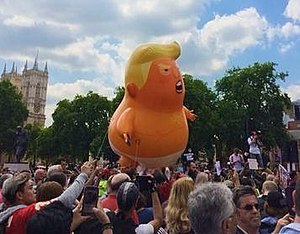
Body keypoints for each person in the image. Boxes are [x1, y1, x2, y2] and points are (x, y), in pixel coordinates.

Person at [0, 161, 93, 234]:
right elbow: (63, 200)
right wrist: (83, 175)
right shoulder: (25, 213)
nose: (35, 190)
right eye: (30, 188)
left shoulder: (7, 214)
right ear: (19, 195)